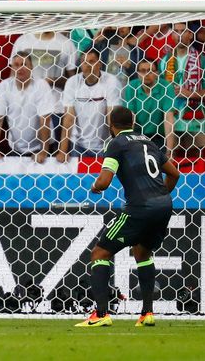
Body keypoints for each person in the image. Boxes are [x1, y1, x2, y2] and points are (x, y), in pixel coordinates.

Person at [76, 106, 180, 327]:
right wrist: (160, 195)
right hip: (164, 206)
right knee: (142, 251)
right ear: (133, 122)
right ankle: (147, 314)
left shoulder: (116, 144)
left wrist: (95, 186)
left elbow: (104, 181)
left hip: (140, 207)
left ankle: (101, 314)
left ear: (111, 125)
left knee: (99, 253)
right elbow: (174, 173)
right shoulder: (148, 142)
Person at [0, 52, 56, 162]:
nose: (20, 68)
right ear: (12, 67)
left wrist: (44, 151)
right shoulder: (5, 86)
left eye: (24, 64)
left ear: (31, 67)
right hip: (15, 147)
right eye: (16, 65)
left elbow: (45, 120)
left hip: (42, 147)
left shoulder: (41, 85)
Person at [58, 48, 122, 160]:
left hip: (104, 146)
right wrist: (63, 150)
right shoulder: (72, 82)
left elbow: (111, 116)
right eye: (84, 61)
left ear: (100, 64)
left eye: (91, 61)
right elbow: (68, 117)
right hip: (78, 145)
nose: (87, 65)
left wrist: (117, 148)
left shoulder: (111, 81)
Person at [158, 22, 205, 157]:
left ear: (190, 35)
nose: (179, 35)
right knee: (171, 160)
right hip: (170, 122)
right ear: (172, 34)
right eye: (176, 31)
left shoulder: (201, 60)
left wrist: (190, 94)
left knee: (197, 160)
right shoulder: (164, 61)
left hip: (196, 121)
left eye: (183, 31)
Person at [124, 59, 177, 156]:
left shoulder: (166, 87)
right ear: (138, 73)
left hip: (159, 137)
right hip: (137, 136)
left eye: (150, 71)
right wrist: (127, 147)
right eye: (142, 71)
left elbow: (168, 119)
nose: (146, 74)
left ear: (157, 73)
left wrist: (169, 151)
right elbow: (130, 118)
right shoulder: (131, 87)